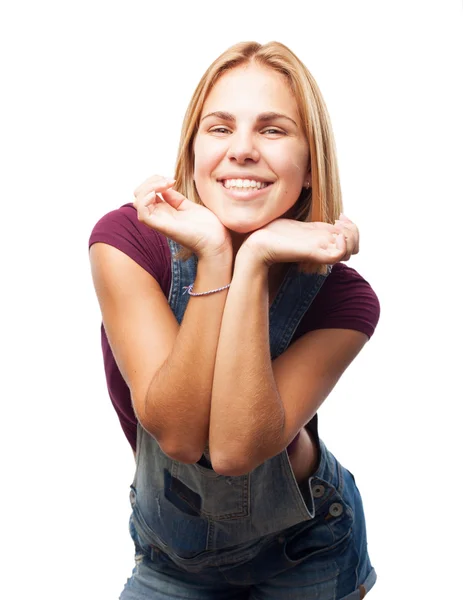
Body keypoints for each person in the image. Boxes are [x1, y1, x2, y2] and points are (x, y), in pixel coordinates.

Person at [89, 40, 380, 600]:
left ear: (312, 168)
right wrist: (218, 254)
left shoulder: (347, 301)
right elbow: (177, 433)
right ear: (193, 149)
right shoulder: (125, 245)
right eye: (220, 128)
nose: (242, 149)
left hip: (308, 547)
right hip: (170, 556)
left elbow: (233, 450)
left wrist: (253, 262)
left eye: (273, 130)